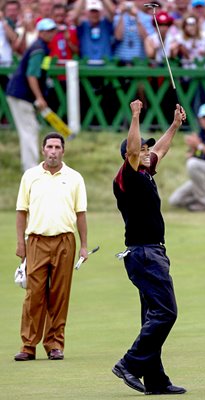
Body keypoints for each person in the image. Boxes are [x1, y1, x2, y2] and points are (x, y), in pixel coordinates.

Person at [112, 99, 187, 395]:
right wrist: (135, 115)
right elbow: (133, 150)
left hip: (152, 252)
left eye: (146, 149)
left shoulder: (145, 171)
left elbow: (161, 149)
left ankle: (154, 379)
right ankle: (129, 364)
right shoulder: (127, 175)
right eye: (142, 149)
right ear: (130, 156)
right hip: (144, 254)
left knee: (152, 315)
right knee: (166, 312)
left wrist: (175, 125)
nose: (146, 152)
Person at [14, 132, 88, 361]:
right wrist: (20, 243)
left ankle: (54, 344)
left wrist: (84, 245)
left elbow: (81, 214)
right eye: (50, 147)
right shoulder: (30, 176)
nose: (53, 151)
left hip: (65, 240)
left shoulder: (74, 177)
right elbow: (21, 211)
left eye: (57, 147)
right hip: (36, 240)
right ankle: (28, 345)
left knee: (59, 294)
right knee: (34, 294)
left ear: (63, 151)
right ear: (43, 150)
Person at [6, 18, 57, 172]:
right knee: (29, 130)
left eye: (52, 30)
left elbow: (40, 73)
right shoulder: (39, 49)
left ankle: (29, 166)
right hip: (22, 94)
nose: (51, 33)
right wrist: (39, 97)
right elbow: (32, 75)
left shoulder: (41, 48)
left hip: (20, 93)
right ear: (40, 32)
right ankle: (31, 169)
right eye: (47, 31)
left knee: (30, 129)